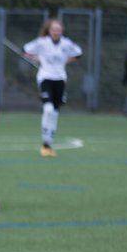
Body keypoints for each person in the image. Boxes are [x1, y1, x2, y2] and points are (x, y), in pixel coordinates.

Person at [23, 18, 82, 156]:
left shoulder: (66, 43)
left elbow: (79, 53)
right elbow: (25, 49)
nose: (56, 32)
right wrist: (36, 58)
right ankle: (44, 143)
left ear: (62, 31)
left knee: (54, 112)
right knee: (48, 109)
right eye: (54, 29)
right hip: (45, 78)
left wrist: (66, 61)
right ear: (49, 30)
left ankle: (48, 145)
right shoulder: (42, 42)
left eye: (58, 29)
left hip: (60, 79)